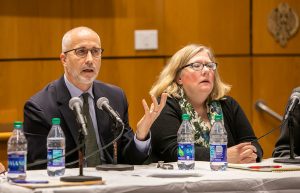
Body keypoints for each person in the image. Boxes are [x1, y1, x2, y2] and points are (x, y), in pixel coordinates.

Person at [23, 26, 167, 169]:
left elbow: (128, 159)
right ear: (64, 59)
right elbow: (38, 167)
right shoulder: (40, 107)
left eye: (96, 52)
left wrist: (141, 136)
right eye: (81, 52)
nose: (90, 60)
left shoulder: (115, 97)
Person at [149, 44, 263, 164]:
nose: (206, 71)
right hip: (182, 180)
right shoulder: (165, 104)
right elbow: (172, 152)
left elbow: (253, 143)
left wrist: (250, 152)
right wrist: (221, 155)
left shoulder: (228, 104)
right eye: (196, 66)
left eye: (210, 65)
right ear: (179, 78)